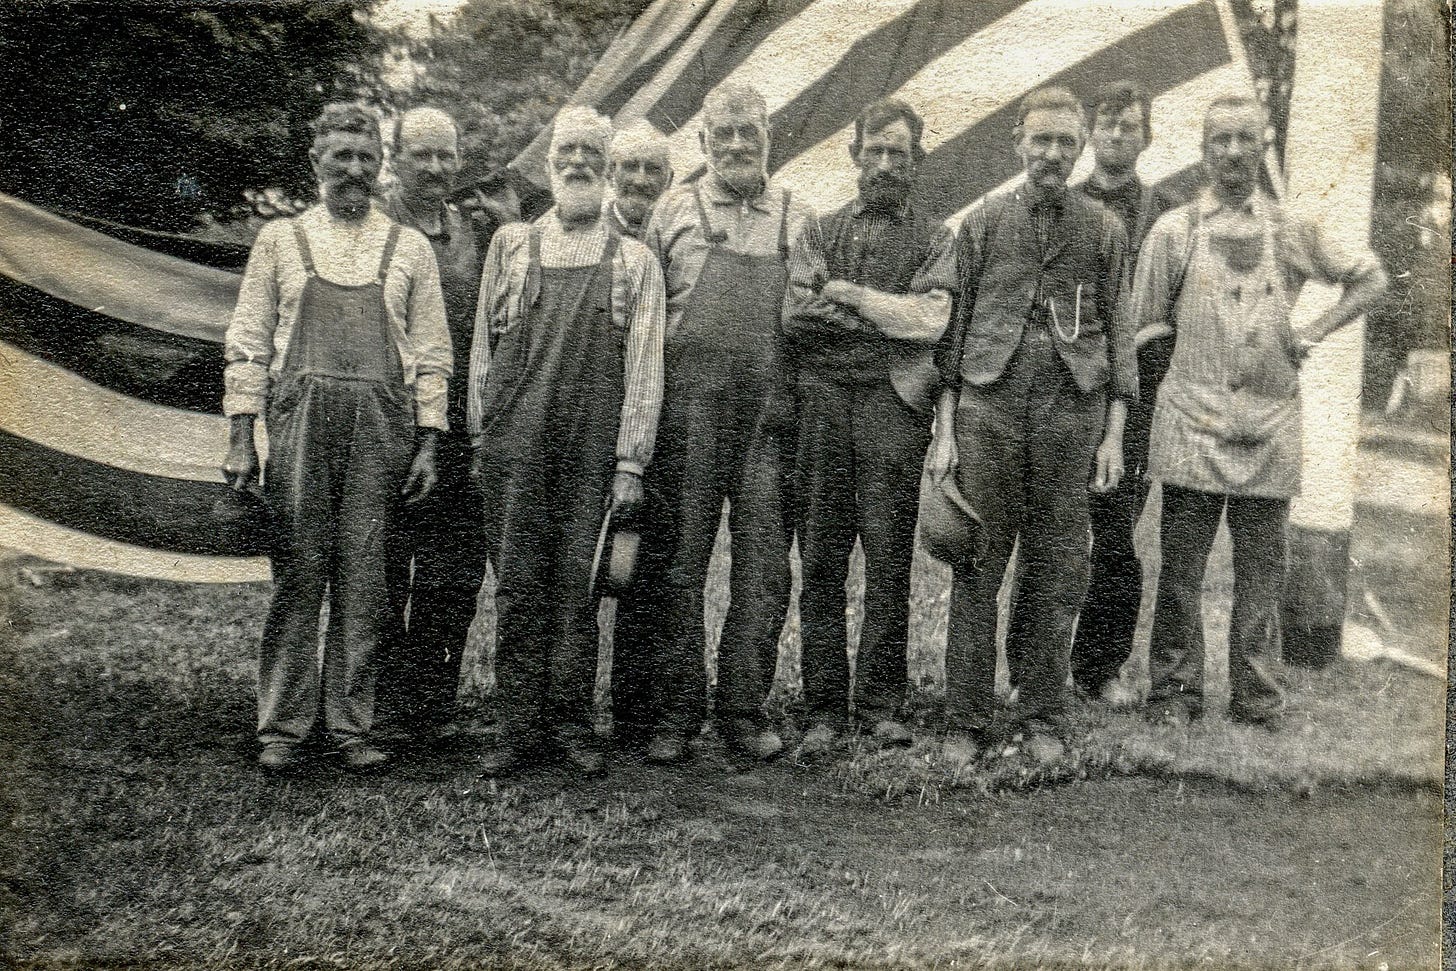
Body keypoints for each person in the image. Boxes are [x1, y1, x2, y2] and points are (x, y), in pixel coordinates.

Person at [1132, 96, 1387, 729]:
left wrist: (1314, 329)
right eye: (1221, 140)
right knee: (1183, 568)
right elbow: (1142, 325)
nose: (1234, 152)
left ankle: (1257, 697)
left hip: (1271, 424)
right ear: (1204, 148)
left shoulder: (1293, 228)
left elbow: (1371, 277)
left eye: (1246, 138)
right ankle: (1174, 692)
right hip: (1193, 421)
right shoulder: (1176, 230)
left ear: (1263, 144)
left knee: (1261, 573)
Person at [222, 102, 452, 773]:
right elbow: (246, 345)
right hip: (299, 425)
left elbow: (433, 355)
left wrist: (430, 442)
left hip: (382, 429)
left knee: (366, 577)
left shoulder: (407, 248)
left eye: (366, 158)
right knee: (299, 572)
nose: (354, 170)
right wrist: (241, 438)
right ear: (315, 161)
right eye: (341, 157)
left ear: (381, 166)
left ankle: (353, 724)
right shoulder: (280, 241)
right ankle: (284, 727)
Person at [930, 86, 1136, 757]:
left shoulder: (1104, 229)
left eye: (1065, 143)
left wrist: (1111, 434)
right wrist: (945, 431)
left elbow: (1121, 338)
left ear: (1080, 151)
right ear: (1017, 143)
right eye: (1040, 140)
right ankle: (965, 720)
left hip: (1069, 414)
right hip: (987, 410)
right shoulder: (984, 224)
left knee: (1055, 567)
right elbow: (953, 342)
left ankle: (1042, 717)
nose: (1052, 154)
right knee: (977, 563)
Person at [468, 106, 667, 778]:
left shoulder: (634, 261)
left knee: (578, 587)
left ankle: (572, 724)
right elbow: (483, 349)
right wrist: (481, 434)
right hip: (515, 442)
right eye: (567, 151)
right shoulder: (513, 246)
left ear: (609, 170)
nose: (577, 162)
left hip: (590, 445)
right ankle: (515, 727)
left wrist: (630, 460)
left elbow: (643, 365)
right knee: (518, 586)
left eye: (591, 153)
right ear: (551, 164)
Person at [633, 83, 814, 766]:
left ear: (769, 136)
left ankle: (742, 708)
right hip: (689, 414)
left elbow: (814, 326)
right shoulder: (670, 213)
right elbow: (642, 327)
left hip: (769, 418)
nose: (738, 144)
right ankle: (676, 709)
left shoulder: (799, 217)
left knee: (764, 567)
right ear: (702, 140)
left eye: (751, 132)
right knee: (678, 564)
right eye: (724, 132)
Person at [781, 98, 957, 756]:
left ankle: (879, 705)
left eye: (898, 153)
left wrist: (848, 296)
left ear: (916, 161)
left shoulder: (938, 238)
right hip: (823, 405)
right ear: (854, 155)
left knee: (887, 562)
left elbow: (931, 322)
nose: (885, 164)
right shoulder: (818, 231)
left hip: (894, 408)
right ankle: (824, 706)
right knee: (822, 558)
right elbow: (795, 316)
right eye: (874, 151)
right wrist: (889, 316)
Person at [1006, 81, 1176, 704]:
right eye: (1106, 126)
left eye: (1129, 126)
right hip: (1060, 389)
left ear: (1146, 135)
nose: (1116, 137)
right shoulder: (1064, 203)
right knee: (1045, 532)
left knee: (1113, 533)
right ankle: (1029, 667)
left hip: (1134, 392)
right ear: (1088, 138)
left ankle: (1098, 668)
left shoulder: (1166, 210)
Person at [376, 106, 493, 743]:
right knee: (389, 562)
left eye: (445, 155)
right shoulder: (378, 228)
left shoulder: (472, 232)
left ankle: (432, 701)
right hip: (393, 422)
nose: (435, 168)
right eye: (421, 155)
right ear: (396, 158)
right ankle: (383, 702)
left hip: (461, 424)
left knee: (455, 568)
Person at [605, 121, 674, 240]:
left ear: (669, 179)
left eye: (653, 169)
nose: (640, 181)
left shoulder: (684, 234)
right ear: (610, 174)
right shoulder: (587, 233)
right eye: (630, 167)